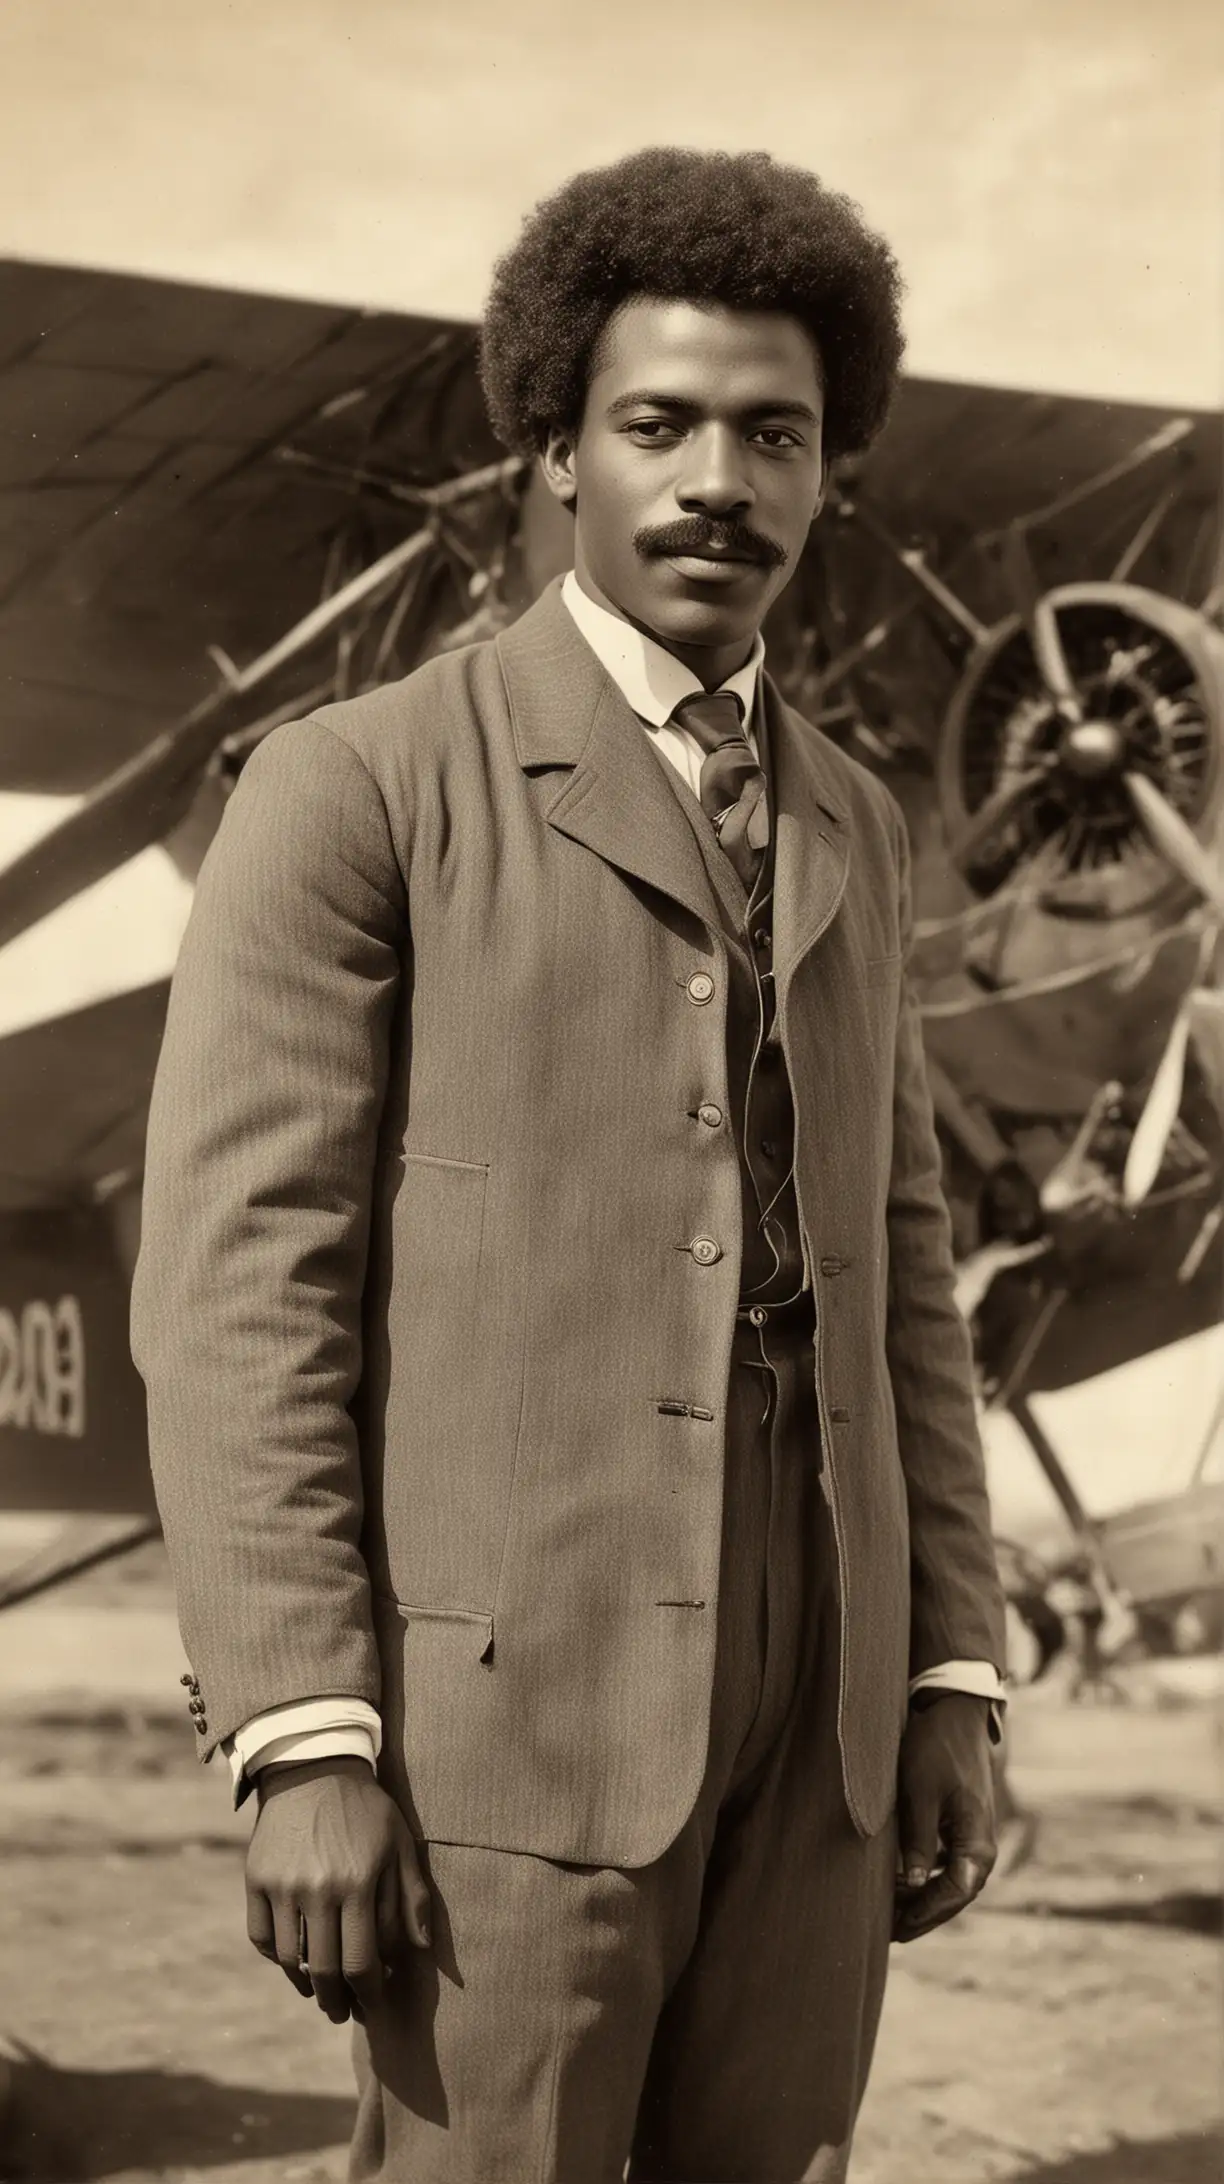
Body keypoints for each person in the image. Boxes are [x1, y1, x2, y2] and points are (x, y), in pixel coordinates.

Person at [131, 147, 1007, 2184]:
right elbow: (244, 1290)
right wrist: (303, 1732)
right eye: (659, 424)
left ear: (831, 472)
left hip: (828, 1715)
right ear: (553, 452)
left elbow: (904, 1269)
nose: (722, 477)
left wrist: (949, 1664)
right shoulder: (352, 788)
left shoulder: (863, 826)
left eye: (776, 433)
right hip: (507, 1703)